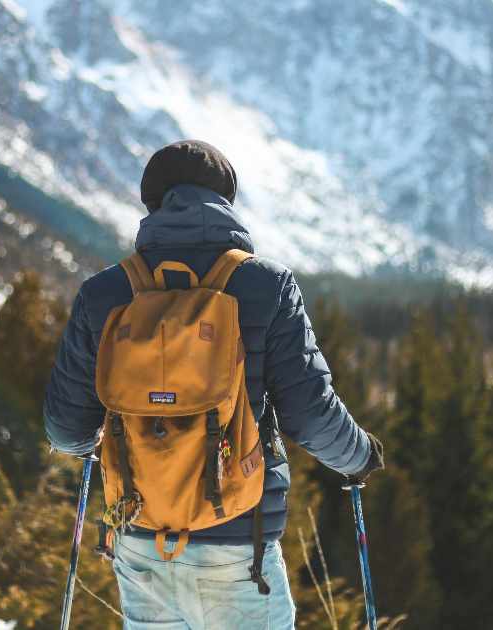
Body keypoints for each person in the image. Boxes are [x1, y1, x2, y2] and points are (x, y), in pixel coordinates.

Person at [44, 139, 384, 629]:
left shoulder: (105, 293)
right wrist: (359, 457)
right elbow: (310, 413)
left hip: (141, 537)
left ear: (152, 203)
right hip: (238, 542)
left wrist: (104, 440)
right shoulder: (267, 286)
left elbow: (65, 430)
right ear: (226, 200)